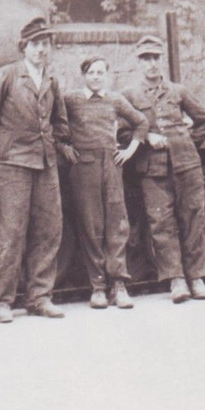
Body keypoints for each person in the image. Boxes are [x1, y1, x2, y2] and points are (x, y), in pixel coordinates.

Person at [0, 17, 76, 324]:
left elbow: (60, 122)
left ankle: (40, 298)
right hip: (13, 164)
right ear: (24, 47)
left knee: (49, 230)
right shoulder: (7, 76)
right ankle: (3, 301)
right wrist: (2, 146)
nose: (41, 50)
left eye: (46, 44)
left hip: (45, 164)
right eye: (35, 44)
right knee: (12, 232)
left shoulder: (51, 80)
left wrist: (57, 144)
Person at [121, 35, 205, 303]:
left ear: (161, 60)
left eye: (155, 58)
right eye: (146, 59)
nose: (151, 64)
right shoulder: (129, 95)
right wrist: (146, 137)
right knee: (161, 223)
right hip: (153, 170)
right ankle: (175, 279)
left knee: (193, 217)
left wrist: (186, 143)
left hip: (186, 165)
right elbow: (122, 132)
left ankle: (196, 276)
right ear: (138, 62)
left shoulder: (178, 91)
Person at [63, 56, 150, 309]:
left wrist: (129, 151)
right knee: (91, 226)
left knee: (116, 223)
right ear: (84, 75)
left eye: (100, 72)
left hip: (111, 165)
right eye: (91, 72)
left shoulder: (115, 99)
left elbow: (141, 122)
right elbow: (54, 123)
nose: (96, 77)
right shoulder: (71, 99)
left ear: (106, 75)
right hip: (83, 167)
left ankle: (119, 285)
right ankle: (98, 287)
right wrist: (63, 146)